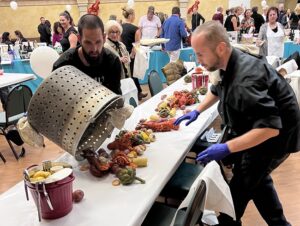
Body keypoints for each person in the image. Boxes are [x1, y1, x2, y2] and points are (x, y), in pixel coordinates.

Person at [174, 20, 300, 226]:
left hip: (276, 134)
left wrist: (226, 147)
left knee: (243, 183)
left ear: (221, 48)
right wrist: (196, 111)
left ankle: (227, 222)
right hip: (259, 126)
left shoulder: (245, 79)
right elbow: (217, 89)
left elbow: (269, 128)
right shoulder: (227, 61)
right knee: (257, 179)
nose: (198, 60)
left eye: (200, 54)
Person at [53, 14, 122, 95]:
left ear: (104, 38)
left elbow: (116, 98)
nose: (94, 49)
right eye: (88, 43)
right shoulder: (63, 65)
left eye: (98, 42)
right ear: (79, 39)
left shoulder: (112, 61)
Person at [121, 7, 148, 101]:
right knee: (133, 74)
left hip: (122, 54)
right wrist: (132, 55)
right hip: (131, 55)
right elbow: (137, 45)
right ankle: (136, 94)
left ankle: (137, 92)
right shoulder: (136, 29)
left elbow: (119, 42)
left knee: (127, 75)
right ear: (131, 16)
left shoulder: (120, 27)